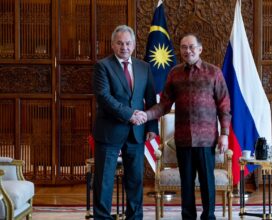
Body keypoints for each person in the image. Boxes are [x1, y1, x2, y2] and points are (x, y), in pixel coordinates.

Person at [137, 33, 231, 220]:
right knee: (186, 184)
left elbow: (224, 105)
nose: (187, 51)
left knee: (207, 183)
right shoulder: (175, 73)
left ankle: (208, 216)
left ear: (200, 49)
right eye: (183, 47)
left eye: (191, 47)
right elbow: (164, 105)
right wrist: (146, 115)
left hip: (206, 140)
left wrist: (225, 134)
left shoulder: (214, 73)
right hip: (183, 139)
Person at [92, 24, 158, 220]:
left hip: (137, 132)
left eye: (128, 43)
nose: (124, 47)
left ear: (134, 44)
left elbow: (151, 99)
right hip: (109, 131)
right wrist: (130, 114)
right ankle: (102, 217)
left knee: (135, 180)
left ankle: (135, 217)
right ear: (113, 45)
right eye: (120, 43)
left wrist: (152, 126)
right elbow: (104, 97)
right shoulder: (102, 66)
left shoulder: (144, 67)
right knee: (104, 181)